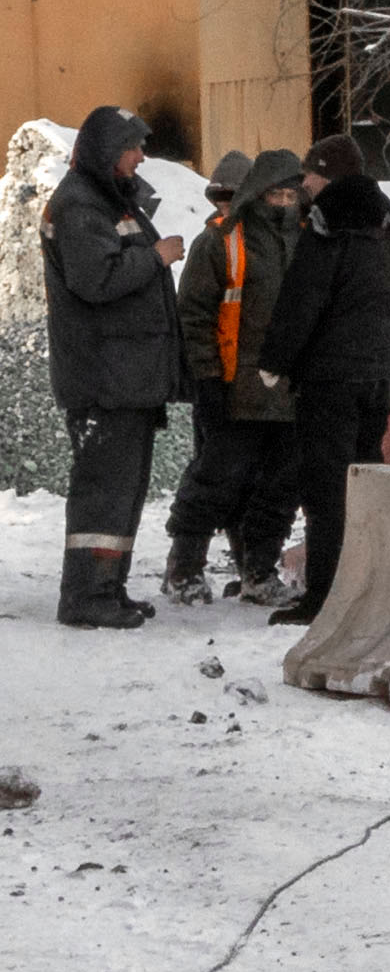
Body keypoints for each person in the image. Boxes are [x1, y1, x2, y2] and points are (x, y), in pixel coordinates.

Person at [262, 136, 390, 625]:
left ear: (326, 174)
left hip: (330, 377)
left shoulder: (330, 220)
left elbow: (304, 296)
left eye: (309, 174)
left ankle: (325, 596)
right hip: (378, 374)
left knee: (326, 489)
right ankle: (369, 589)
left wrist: (276, 359)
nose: (304, 183)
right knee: (367, 484)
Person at [41, 106, 177, 627]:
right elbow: (95, 280)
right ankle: (85, 597)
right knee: (104, 491)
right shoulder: (79, 205)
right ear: (105, 151)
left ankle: (107, 589)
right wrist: (157, 257)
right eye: (132, 148)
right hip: (103, 378)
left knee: (124, 489)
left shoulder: (105, 199)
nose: (141, 157)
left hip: (125, 377)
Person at [161, 147, 305, 603]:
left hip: (288, 394)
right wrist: (207, 380)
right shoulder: (221, 243)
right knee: (214, 482)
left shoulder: (307, 240)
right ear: (257, 194)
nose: (283, 202)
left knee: (277, 490)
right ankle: (184, 570)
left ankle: (259, 574)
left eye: (290, 194)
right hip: (233, 390)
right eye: (275, 194)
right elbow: (194, 316)